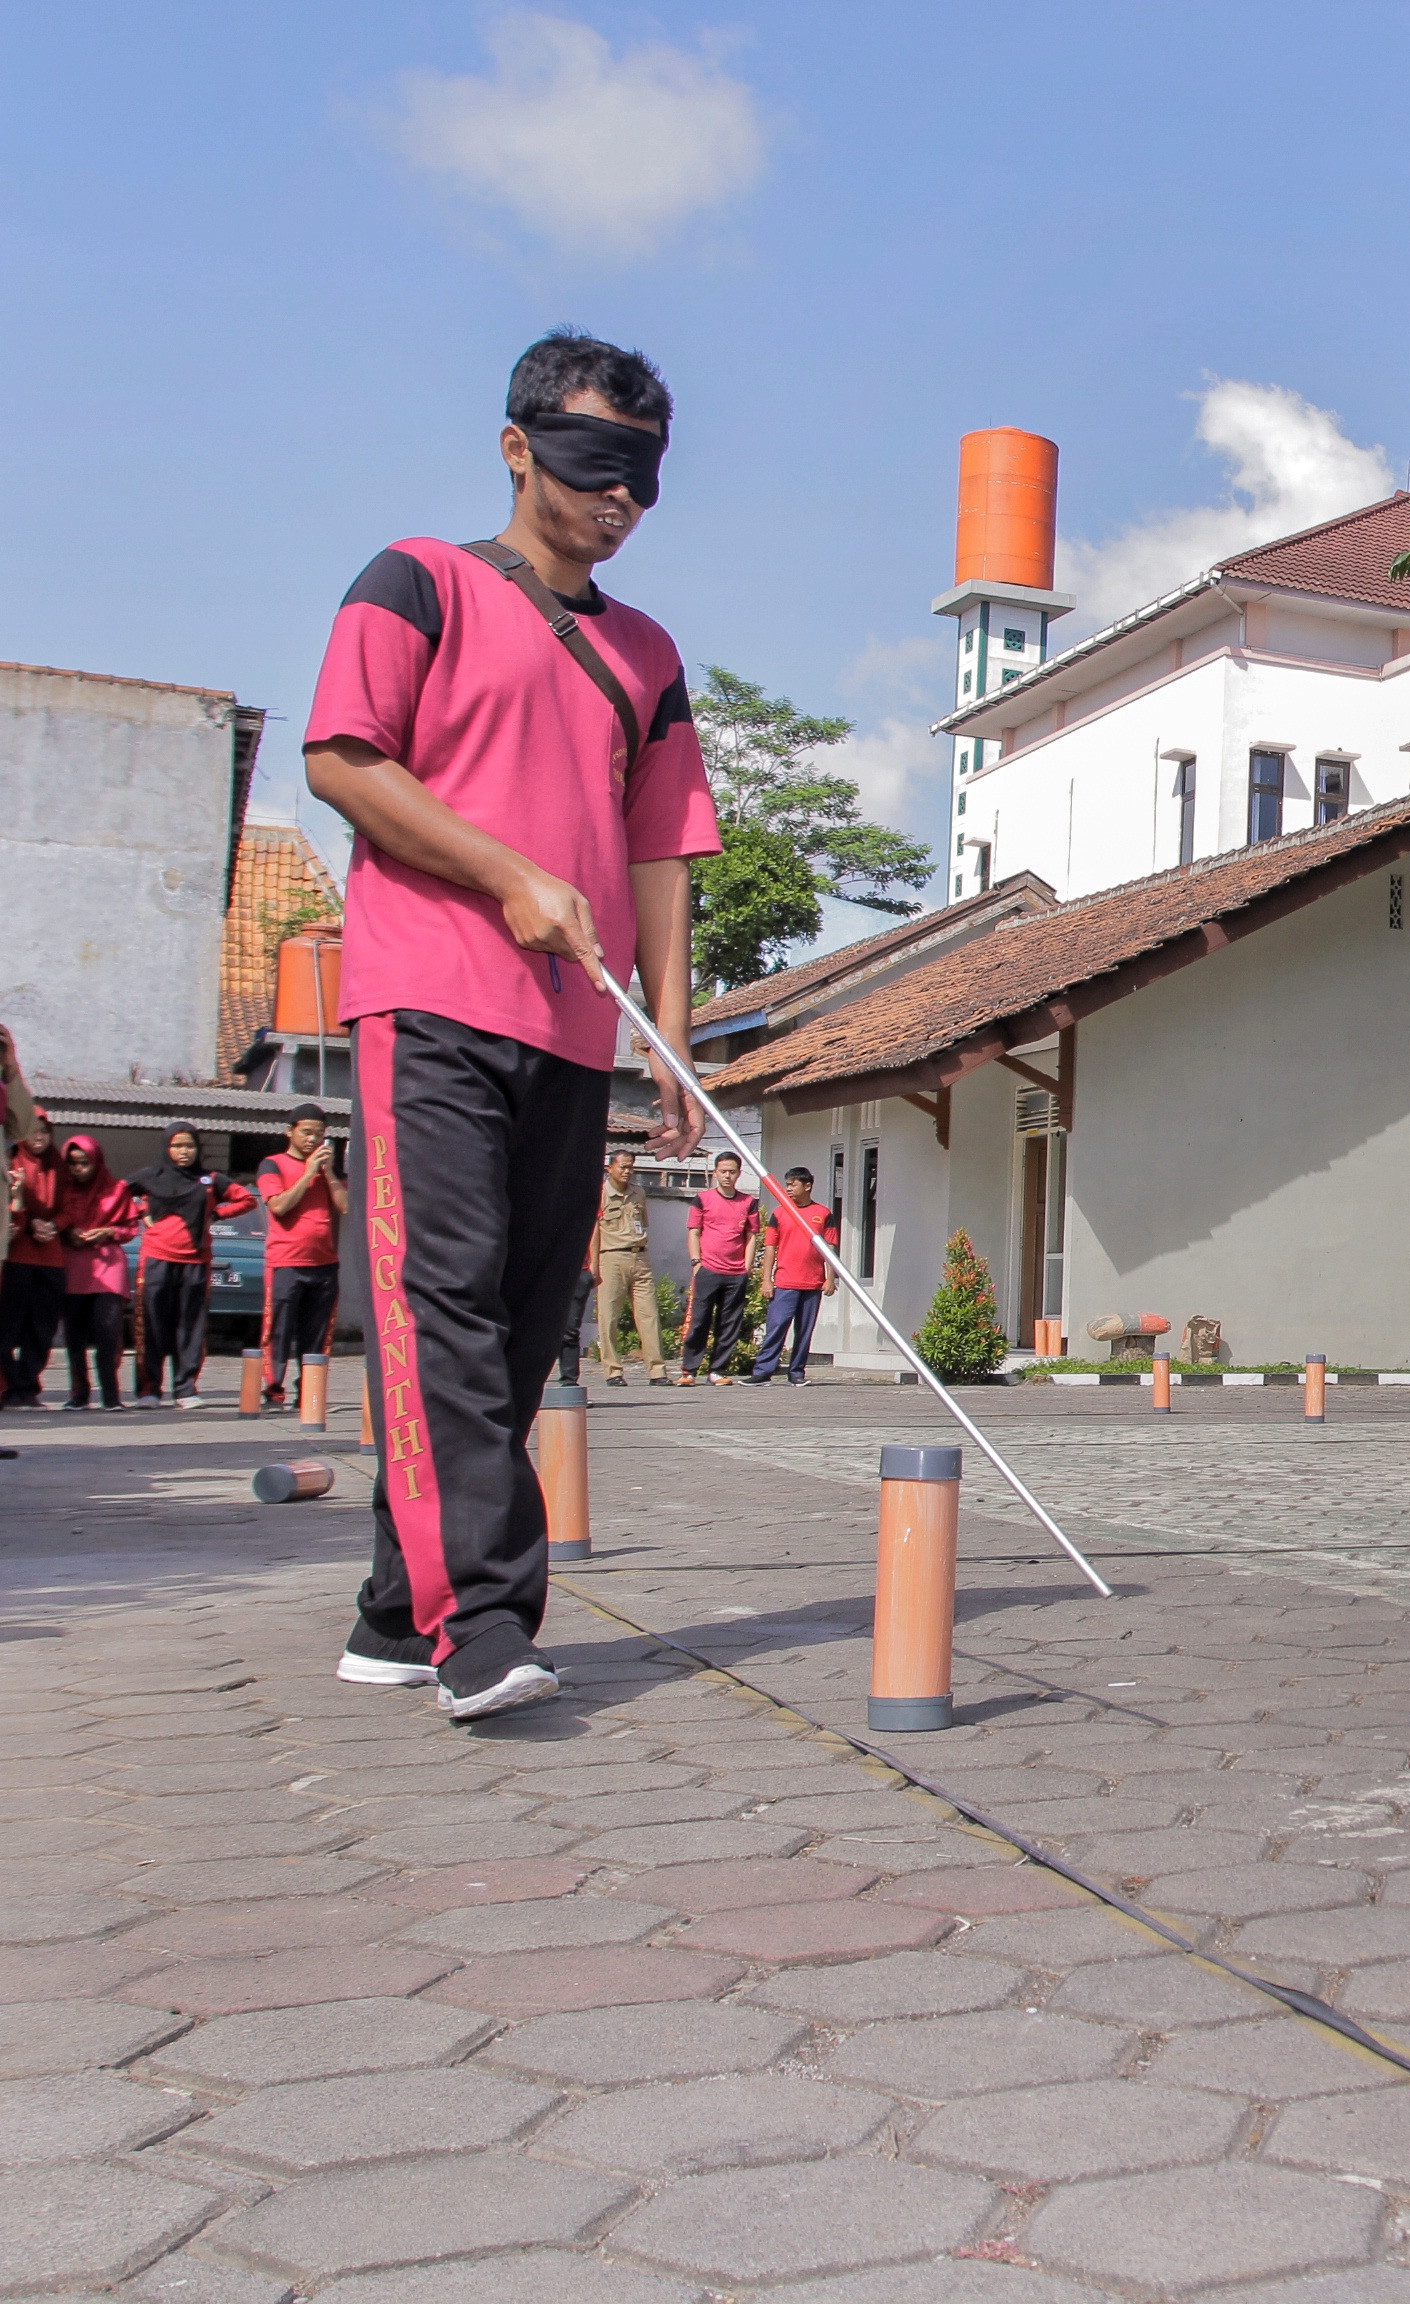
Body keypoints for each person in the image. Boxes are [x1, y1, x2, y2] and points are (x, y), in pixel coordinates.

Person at [302, 329, 715, 1724]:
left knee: (528, 1327)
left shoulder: (648, 655)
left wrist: (668, 1037)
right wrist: (506, 873)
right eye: (597, 463)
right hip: (428, 995)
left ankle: (384, 1608)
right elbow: (344, 759)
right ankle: (479, 1620)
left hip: (571, 1028)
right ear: (518, 441)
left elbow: (660, 857)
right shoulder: (416, 579)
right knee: (445, 1308)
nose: (620, 499)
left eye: (646, 477)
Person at [132, 1125, 253, 1408]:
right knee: (152, 1324)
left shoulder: (209, 1180)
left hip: (195, 1262)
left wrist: (216, 1213)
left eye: (189, 1146)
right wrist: (140, 1213)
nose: (183, 1152)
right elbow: (116, 1194)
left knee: (191, 1327)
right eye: (177, 1146)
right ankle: (149, 1390)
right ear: (167, 1148)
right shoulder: (150, 1177)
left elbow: (246, 1200)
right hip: (156, 1259)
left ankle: (185, 1389)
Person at [256, 1105, 350, 1408]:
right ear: (290, 1132)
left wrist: (327, 1173)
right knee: (279, 1330)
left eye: (319, 1134)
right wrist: (308, 1172)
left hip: (325, 1264)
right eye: (306, 1132)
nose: (312, 1139)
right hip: (286, 1262)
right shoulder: (273, 1164)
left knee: (318, 1334)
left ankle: (308, 1394)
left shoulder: (329, 1170)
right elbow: (279, 1206)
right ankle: (273, 1390)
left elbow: (346, 1207)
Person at [51, 1136, 140, 1411]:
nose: (79, 1169)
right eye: (73, 1164)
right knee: (75, 1337)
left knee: (108, 1334)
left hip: (107, 1267)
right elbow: (52, 1219)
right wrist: (68, 1232)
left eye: (85, 1163)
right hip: (73, 1267)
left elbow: (130, 1228)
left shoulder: (116, 1190)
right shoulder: (61, 1190)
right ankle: (79, 1394)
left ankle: (111, 1396)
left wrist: (108, 1231)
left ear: (97, 1161)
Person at [754, 1167, 840, 1386]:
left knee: (804, 1331)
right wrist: (767, 1280)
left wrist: (830, 1279)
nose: (788, 1189)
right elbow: (770, 1247)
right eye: (787, 1184)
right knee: (777, 1326)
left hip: (812, 1283)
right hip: (785, 1282)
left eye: (793, 1184)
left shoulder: (823, 1214)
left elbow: (829, 1248)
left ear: (807, 1186)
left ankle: (797, 1373)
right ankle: (763, 1372)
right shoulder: (780, 1213)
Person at [680, 1153, 760, 1384]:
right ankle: (689, 1370)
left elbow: (752, 1235)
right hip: (708, 1269)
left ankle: (718, 1371)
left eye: (732, 1171)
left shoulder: (748, 1202)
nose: (727, 1175)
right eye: (723, 1171)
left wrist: (747, 1267)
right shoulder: (702, 1199)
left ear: (739, 1174)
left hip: (736, 1273)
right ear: (715, 1172)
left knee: (729, 1323)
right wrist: (696, 1262)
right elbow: (694, 1232)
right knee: (699, 1320)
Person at [4, 1100, 63, 1409]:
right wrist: (29, 1225)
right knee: (9, 1326)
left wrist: (54, 1225)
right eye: (32, 1131)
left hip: (51, 1258)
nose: (39, 1137)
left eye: (45, 1131)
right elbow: (9, 1208)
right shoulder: (11, 1161)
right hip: (17, 1256)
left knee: (42, 1329)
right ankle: (11, 1385)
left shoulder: (59, 1164)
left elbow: (69, 1206)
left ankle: (28, 1386)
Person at [590, 1148, 665, 1385]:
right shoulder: (601, 1193)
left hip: (640, 1257)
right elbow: (593, 1232)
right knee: (608, 1317)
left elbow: (642, 1224)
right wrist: (593, 1264)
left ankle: (657, 1371)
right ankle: (613, 1371)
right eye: (622, 1166)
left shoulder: (638, 1193)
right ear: (609, 1168)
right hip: (611, 1258)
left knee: (649, 1315)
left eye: (631, 1167)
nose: (627, 1171)